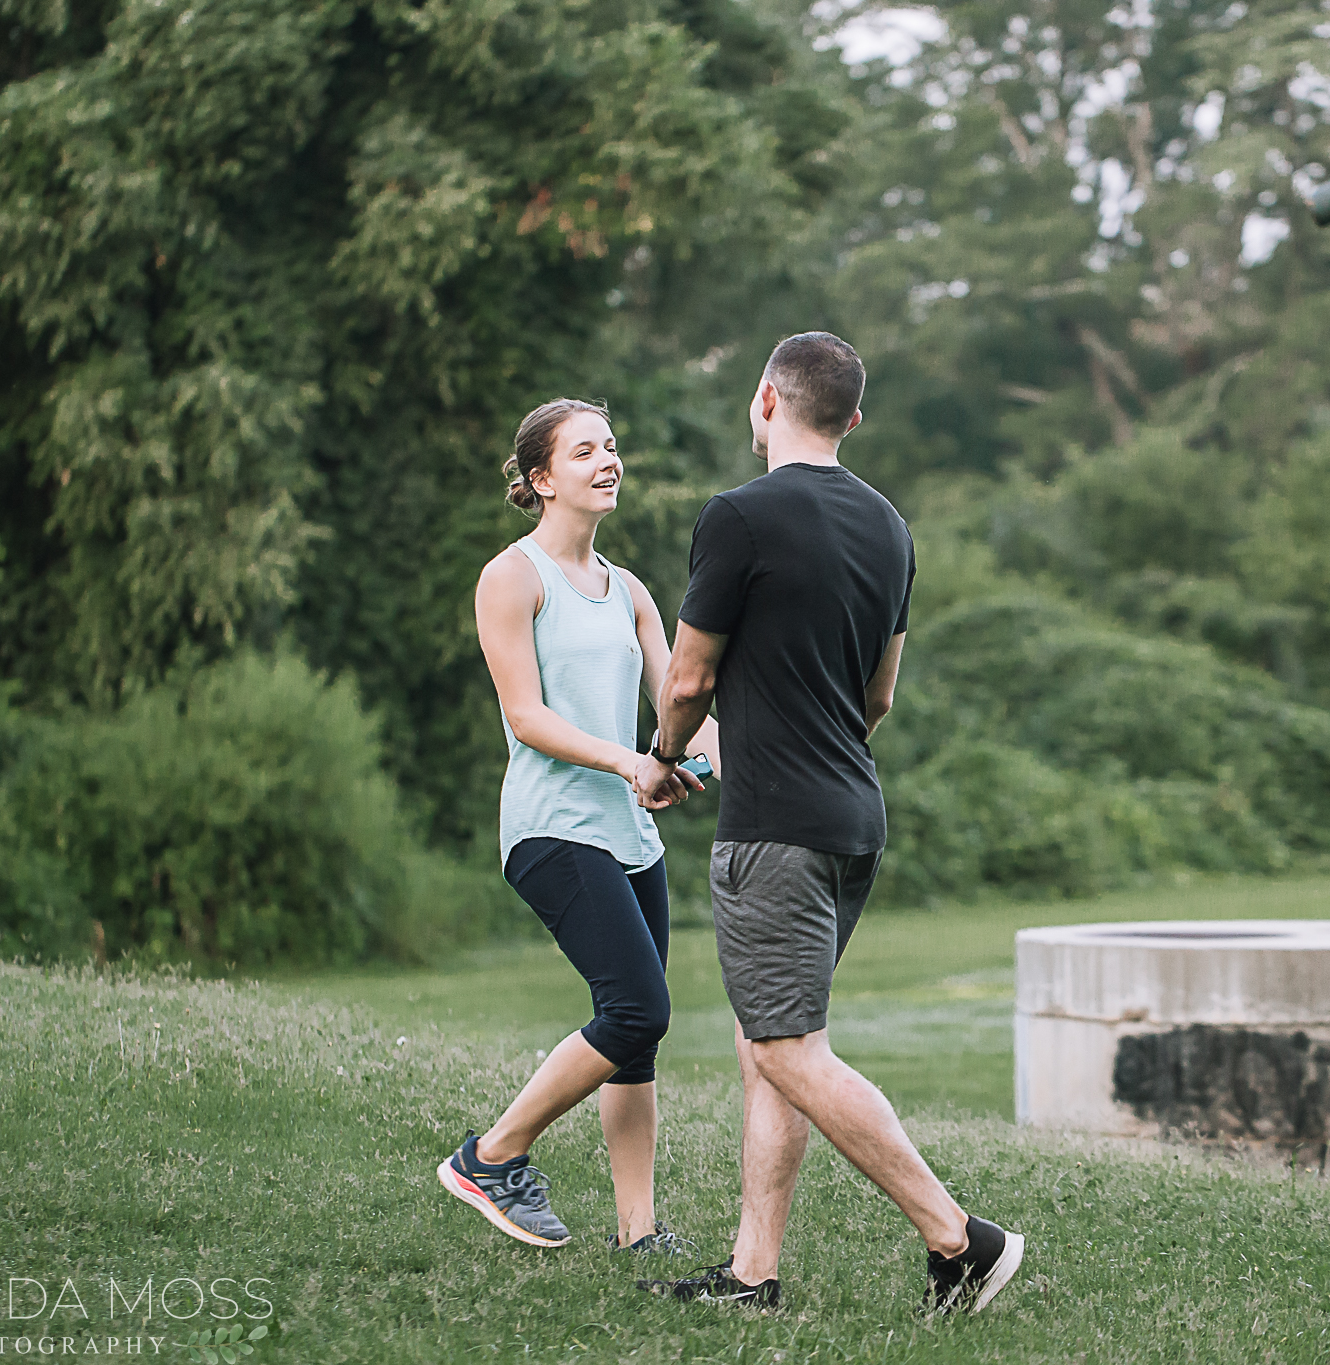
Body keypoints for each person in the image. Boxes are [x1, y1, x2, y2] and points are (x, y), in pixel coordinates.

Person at [632, 333, 1025, 1314]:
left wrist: (664, 754)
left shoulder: (737, 516)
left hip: (775, 826)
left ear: (764, 401)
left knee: (781, 1048)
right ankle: (752, 1272)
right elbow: (877, 697)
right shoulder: (889, 528)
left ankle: (958, 1238)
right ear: (851, 418)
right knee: (774, 1039)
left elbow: (686, 676)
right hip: (854, 817)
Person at [436, 397, 718, 1254]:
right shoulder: (512, 577)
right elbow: (526, 716)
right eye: (585, 449)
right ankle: (491, 1155)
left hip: (631, 838)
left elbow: (681, 699)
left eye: (613, 445)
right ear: (540, 478)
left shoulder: (627, 587)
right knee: (638, 1009)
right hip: (553, 828)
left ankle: (638, 1233)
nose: (609, 460)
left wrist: (697, 754)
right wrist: (631, 760)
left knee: (633, 1040)